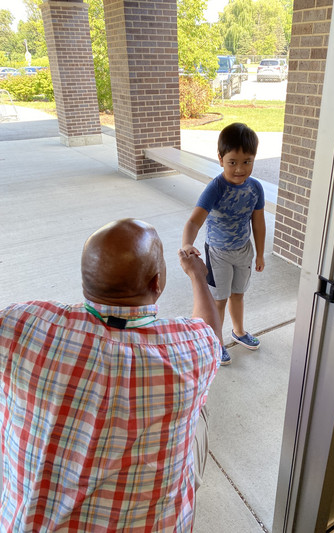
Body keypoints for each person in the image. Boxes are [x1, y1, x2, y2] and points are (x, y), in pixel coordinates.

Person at [0, 218, 222, 532]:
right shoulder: (190, 349)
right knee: (199, 413)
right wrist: (197, 276)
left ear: (86, 281)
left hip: (25, 524)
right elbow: (211, 334)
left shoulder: (22, 325)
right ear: (156, 283)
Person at [182, 122, 266, 365]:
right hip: (218, 253)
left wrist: (260, 254)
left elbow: (258, 223)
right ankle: (215, 341)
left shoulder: (256, 188)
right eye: (232, 162)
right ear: (220, 159)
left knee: (238, 294)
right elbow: (194, 221)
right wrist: (188, 243)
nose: (240, 169)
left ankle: (238, 332)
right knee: (219, 300)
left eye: (247, 161)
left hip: (244, 251)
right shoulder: (216, 188)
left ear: (254, 159)